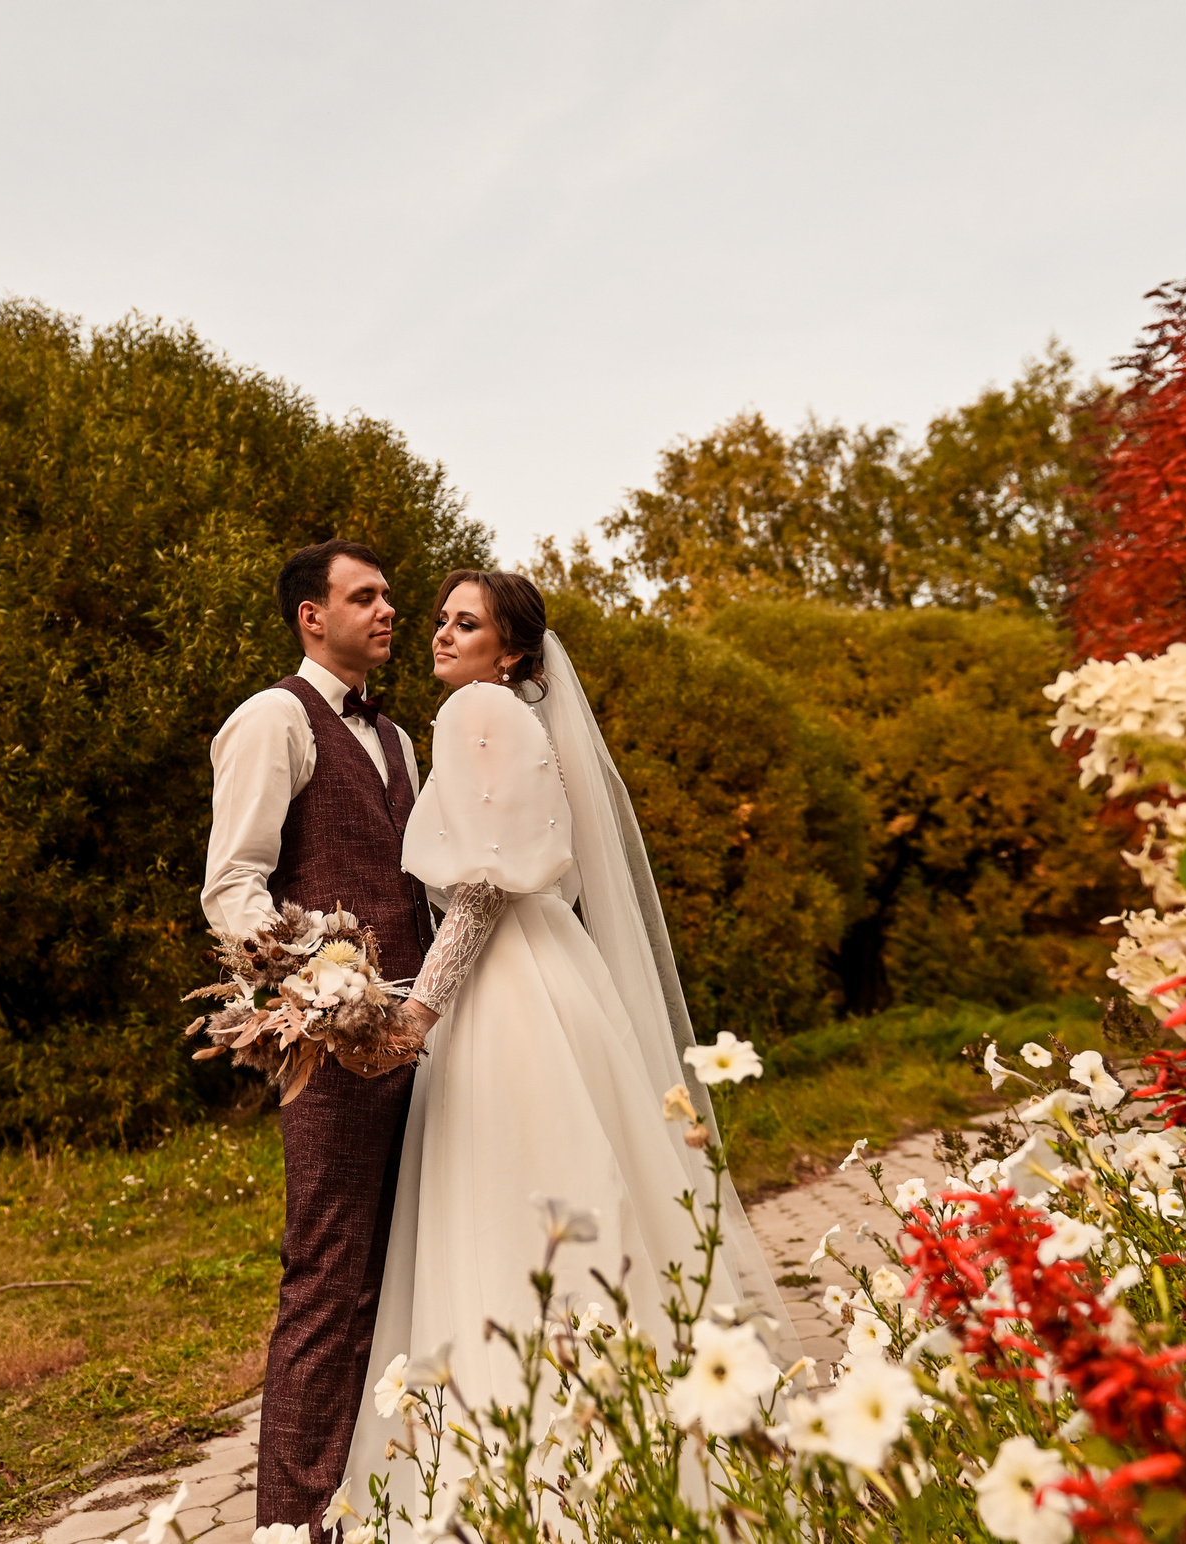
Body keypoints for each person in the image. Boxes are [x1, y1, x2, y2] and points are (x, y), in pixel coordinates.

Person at [343, 570, 798, 1523]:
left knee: (507, 1195)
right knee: (578, 1181)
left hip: (505, 985)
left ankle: (524, 1468)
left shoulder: (475, 710)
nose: (441, 635)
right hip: (555, 971)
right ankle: (630, 1449)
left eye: (467, 624)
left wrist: (419, 1013)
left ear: (510, 652)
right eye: (441, 620)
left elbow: (483, 887)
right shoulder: (519, 718)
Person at [202, 538, 432, 1542]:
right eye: (364, 596)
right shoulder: (273, 718)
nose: (388, 611)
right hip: (331, 1049)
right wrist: (320, 989)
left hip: (420, 1041)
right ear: (312, 615)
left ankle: (384, 1505)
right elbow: (233, 886)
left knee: (403, 1268)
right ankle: (292, 1525)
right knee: (328, 1279)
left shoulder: (401, 739)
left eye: (388, 596)